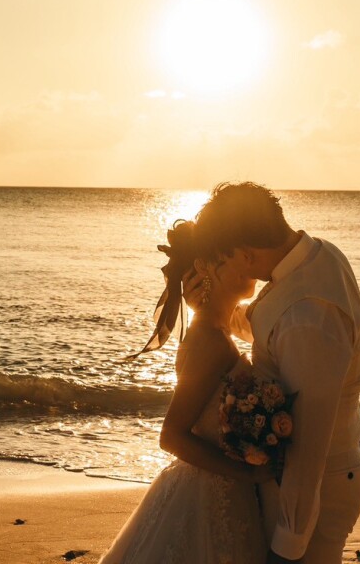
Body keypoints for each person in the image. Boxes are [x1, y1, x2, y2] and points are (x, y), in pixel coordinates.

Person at [190, 183, 360, 564]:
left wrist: (287, 547)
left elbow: (309, 446)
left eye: (226, 258)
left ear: (244, 252)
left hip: (318, 490)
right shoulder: (318, 256)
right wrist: (208, 309)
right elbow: (269, 327)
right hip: (327, 475)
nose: (229, 268)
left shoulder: (309, 317)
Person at [98, 218, 269, 564]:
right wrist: (247, 472)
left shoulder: (214, 327)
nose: (249, 262)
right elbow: (172, 436)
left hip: (218, 489)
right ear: (206, 267)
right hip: (210, 493)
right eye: (237, 255)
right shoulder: (209, 339)